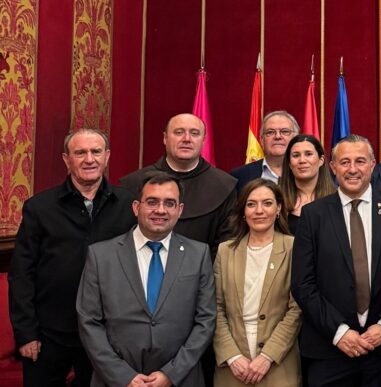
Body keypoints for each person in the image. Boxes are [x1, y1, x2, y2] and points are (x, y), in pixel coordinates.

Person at [10, 128, 136, 387]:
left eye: (96, 152)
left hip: (108, 333)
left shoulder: (129, 206)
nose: (89, 159)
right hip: (48, 334)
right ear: (66, 159)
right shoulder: (39, 208)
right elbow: (22, 274)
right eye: (80, 152)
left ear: (107, 156)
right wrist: (26, 333)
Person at [76, 171, 216, 387]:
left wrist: (171, 374)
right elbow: (89, 322)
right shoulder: (101, 255)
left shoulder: (198, 254)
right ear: (136, 207)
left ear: (179, 211)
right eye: (152, 202)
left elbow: (206, 320)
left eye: (169, 203)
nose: (160, 210)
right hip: (115, 380)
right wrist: (123, 376)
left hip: (181, 379)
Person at [291, 135, 381, 387]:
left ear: (373, 165)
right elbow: (303, 284)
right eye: (344, 162)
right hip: (329, 350)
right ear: (332, 167)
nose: (352, 169)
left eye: (360, 161)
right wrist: (340, 332)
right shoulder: (313, 215)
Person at [213, 179, 301, 386]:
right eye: (251, 204)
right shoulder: (225, 251)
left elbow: (296, 309)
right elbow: (215, 308)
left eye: (267, 203)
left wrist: (267, 356)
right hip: (233, 369)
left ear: (278, 207)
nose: (259, 211)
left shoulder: (293, 247)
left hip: (279, 366)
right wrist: (233, 356)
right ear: (243, 211)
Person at [121, 113, 237, 251]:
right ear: (165, 138)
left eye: (194, 133)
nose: (186, 139)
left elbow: (226, 246)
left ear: (204, 140)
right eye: (179, 132)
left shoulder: (224, 186)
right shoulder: (133, 183)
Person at [278, 134, 336, 233]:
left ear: (321, 160)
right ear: (289, 164)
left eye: (308, 154)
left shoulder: (337, 199)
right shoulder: (277, 199)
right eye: (296, 155)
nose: (302, 160)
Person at [232, 111, 299, 185]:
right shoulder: (239, 176)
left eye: (285, 131)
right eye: (270, 132)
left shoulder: (308, 172)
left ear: (295, 138)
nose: (277, 136)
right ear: (262, 140)